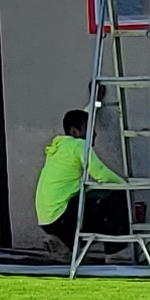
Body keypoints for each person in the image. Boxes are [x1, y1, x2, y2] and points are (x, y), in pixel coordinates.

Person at [34, 108, 119, 257]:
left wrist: (94, 103)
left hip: (47, 220)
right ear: (74, 132)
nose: (94, 134)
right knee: (114, 196)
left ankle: (65, 243)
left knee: (90, 201)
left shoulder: (61, 146)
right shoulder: (79, 145)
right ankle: (117, 252)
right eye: (90, 129)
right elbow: (101, 174)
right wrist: (128, 186)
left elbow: (81, 118)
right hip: (63, 217)